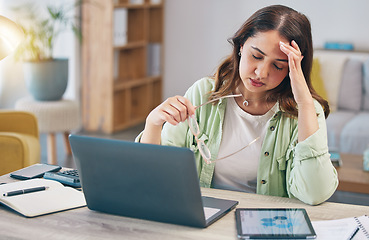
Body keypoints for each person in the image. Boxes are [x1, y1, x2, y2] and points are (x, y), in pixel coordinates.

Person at [136, 5, 338, 205]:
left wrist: (304, 102)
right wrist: (153, 123)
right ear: (241, 46)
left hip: (265, 225)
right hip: (205, 220)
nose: (261, 73)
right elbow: (155, 175)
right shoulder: (203, 93)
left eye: (278, 65)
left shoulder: (306, 112)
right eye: (256, 56)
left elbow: (314, 193)